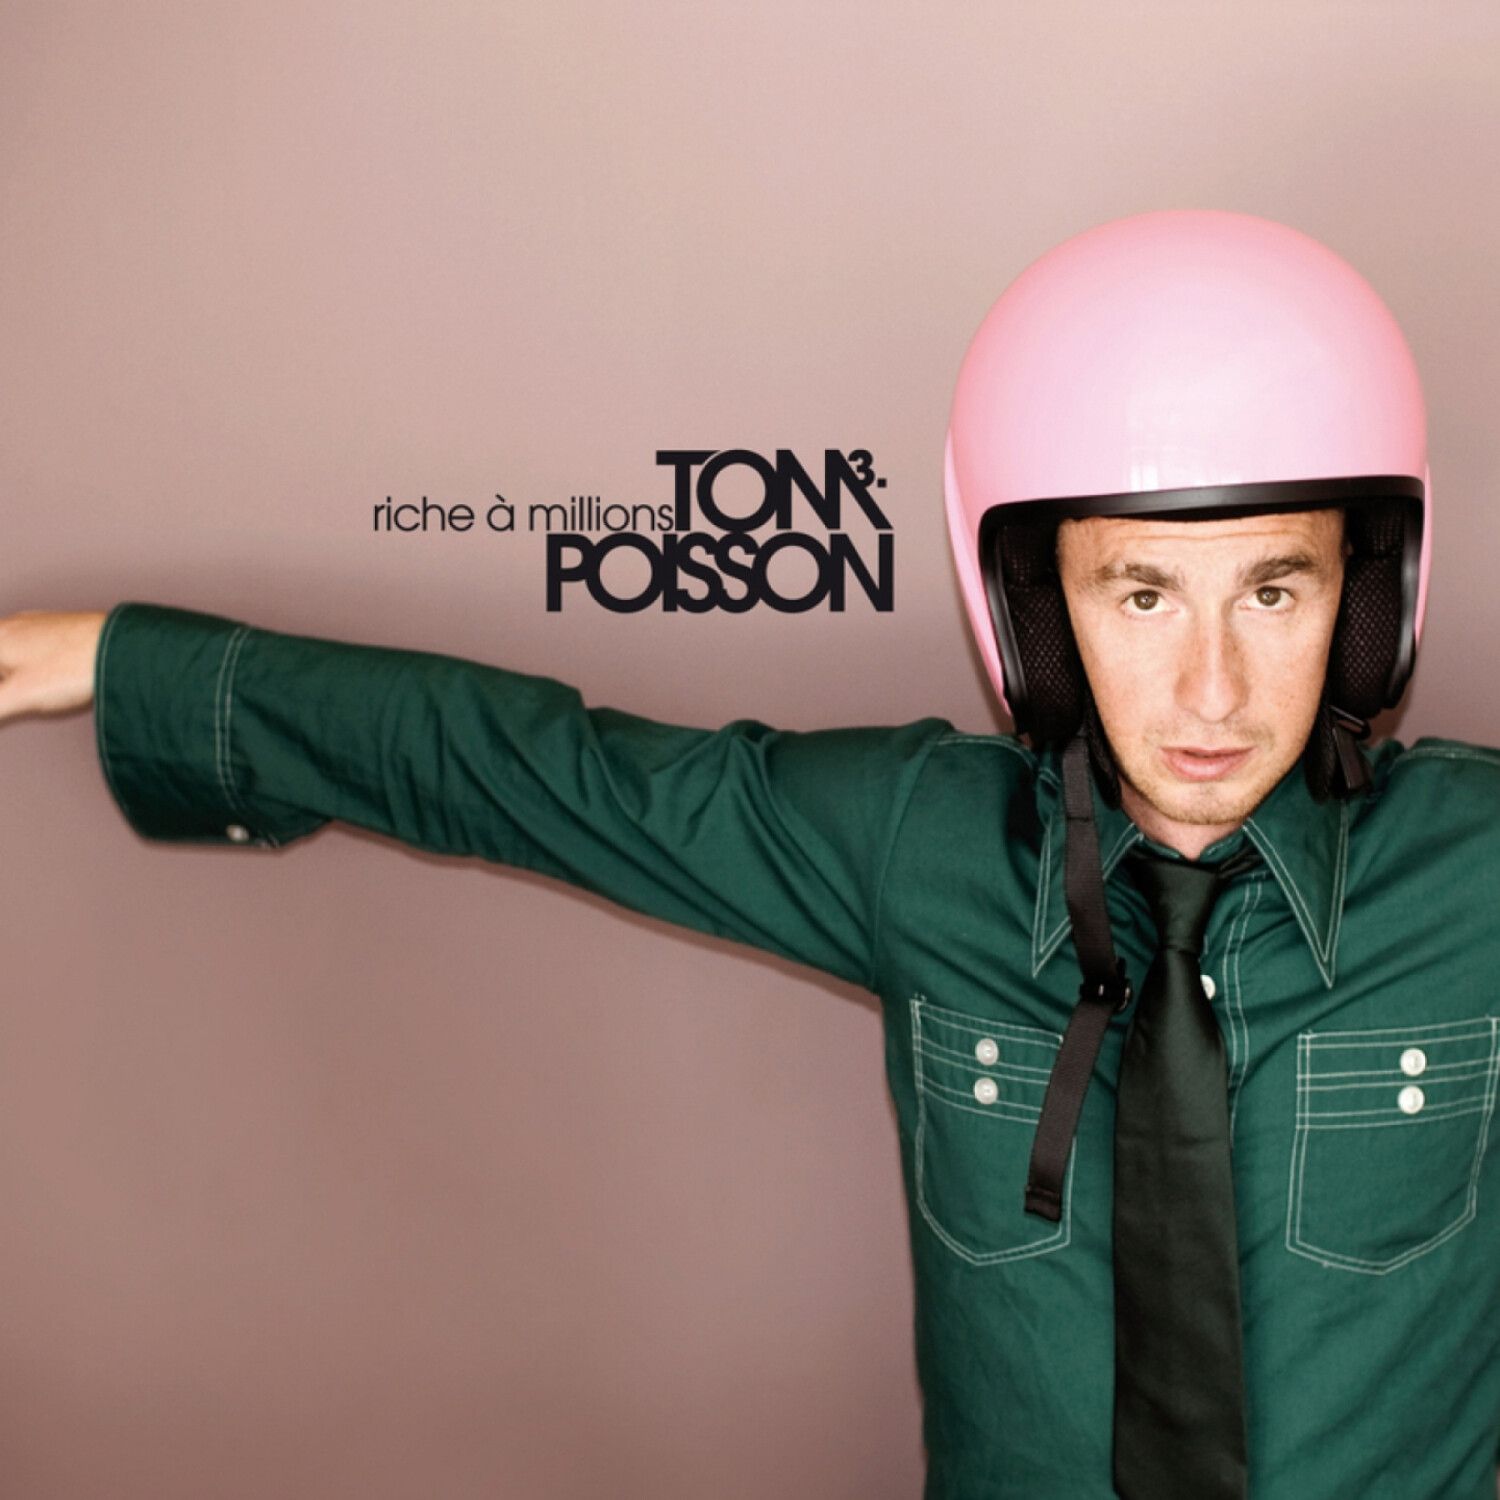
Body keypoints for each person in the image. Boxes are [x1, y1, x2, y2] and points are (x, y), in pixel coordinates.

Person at [1, 210, 1496, 1499]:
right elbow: (542, 774)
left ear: (1368, 601)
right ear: (1038, 613)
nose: (1214, 693)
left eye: (1276, 593)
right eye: (1143, 597)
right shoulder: (920, 841)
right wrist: (130, 666)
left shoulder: (1480, 869)